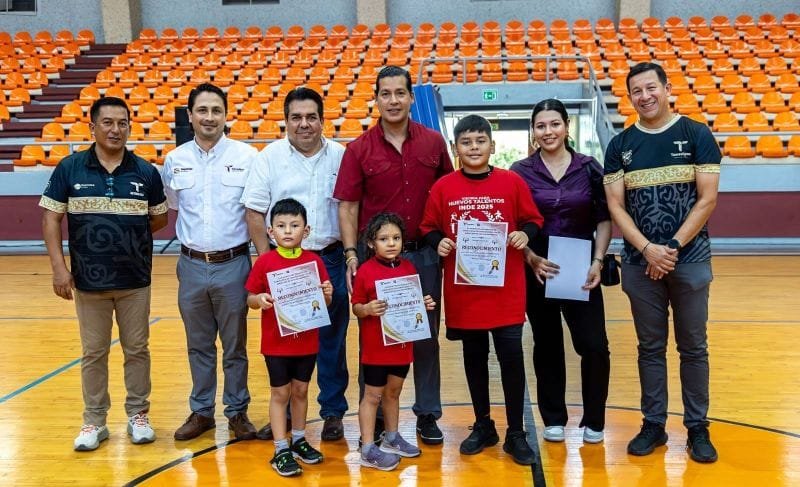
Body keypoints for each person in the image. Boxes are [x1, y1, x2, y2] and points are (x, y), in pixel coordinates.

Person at [603, 62, 721, 463]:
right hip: (640, 264)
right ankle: (653, 424)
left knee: (694, 347)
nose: (645, 96)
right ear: (629, 97)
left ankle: (697, 427)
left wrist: (669, 248)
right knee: (650, 347)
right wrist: (647, 249)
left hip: (690, 259)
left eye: (651, 87)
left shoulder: (696, 134)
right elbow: (616, 206)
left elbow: (707, 199)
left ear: (667, 89)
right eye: (636, 91)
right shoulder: (620, 145)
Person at [40, 96, 168, 451]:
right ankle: (94, 421)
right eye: (108, 122)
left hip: (135, 281)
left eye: (122, 123)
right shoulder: (69, 168)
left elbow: (159, 218)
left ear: (129, 127)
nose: (116, 129)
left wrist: (125, 240)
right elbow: (50, 218)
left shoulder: (146, 172)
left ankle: (138, 415)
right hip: (88, 282)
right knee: (93, 352)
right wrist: (59, 269)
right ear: (92, 127)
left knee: (137, 349)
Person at [334, 65, 453, 445]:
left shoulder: (433, 143)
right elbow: (348, 207)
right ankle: (372, 423)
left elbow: (448, 193)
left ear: (411, 97)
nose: (393, 100)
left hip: (424, 256)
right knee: (375, 337)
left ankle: (427, 414)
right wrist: (351, 254)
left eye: (400, 92)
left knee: (425, 336)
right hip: (376, 263)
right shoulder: (358, 149)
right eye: (385, 93)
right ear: (376, 99)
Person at [419, 115, 543, 465]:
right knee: (474, 358)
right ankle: (484, 424)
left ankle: (516, 432)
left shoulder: (512, 182)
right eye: (466, 142)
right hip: (465, 291)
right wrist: (439, 241)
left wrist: (524, 235)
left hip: (506, 290)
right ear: (455, 148)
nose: (474, 148)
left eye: (480, 141)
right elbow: (428, 226)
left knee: (511, 358)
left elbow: (534, 220)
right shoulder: (443, 187)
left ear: (492, 145)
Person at [242, 87, 349, 442]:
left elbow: (351, 207)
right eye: (296, 117)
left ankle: (332, 412)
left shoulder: (341, 156)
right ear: (286, 121)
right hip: (284, 264)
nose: (304, 124)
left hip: (329, 258)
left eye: (311, 117)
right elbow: (254, 211)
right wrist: (268, 262)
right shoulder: (269, 157)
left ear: (322, 120)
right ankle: (285, 414)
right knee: (287, 339)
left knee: (332, 340)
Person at [509, 99, 611, 444]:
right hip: (538, 270)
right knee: (547, 345)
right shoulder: (520, 171)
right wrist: (530, 257)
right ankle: (553, 418)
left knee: (594, 345)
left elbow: (604, 218)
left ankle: (594, 420)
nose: (548, 131)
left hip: (582, 270)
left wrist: (598, 261)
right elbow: (514, 224)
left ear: (566, 126)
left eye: (554, 124)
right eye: (540, 126)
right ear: (533, 131)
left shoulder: (589, 167)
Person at [162, 83, 258, 441]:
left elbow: (254, 211)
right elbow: (174, 206)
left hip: (234, 263)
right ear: (190, 116)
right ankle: (202, 411)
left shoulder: (248, 157)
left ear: (226, 114)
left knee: (234, 346)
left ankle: (237, 411)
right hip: (190, 265)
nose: (209, 117)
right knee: (198, 344)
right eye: (202, 110)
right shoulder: (175, 160)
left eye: (216, 110)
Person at [245, 199, 333, 477]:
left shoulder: (314, 262)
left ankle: (298, 439)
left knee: (301, 391)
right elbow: (250, 298)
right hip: (276, 344)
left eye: (294, 225)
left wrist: (327, 294)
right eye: (281, 226)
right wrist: (260, 299)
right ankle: (280, 448)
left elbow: (325, 303)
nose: (287, 231)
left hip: (307, 342)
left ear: (306, 231)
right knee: (280, 393)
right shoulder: (265, 262)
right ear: (271, 231)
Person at [352, 212, 436, 471]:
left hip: (402, 345)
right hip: (376, 348)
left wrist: (423, 304)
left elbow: (411, 303)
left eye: (396, 238)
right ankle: (368, 448)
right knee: (372, 396)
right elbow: (356, 307)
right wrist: (367, 309)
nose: (391, 243)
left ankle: (392, 437)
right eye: (384, 239)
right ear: (371, 243)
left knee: (393, 392)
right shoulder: (365, 271)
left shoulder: (409, 268)